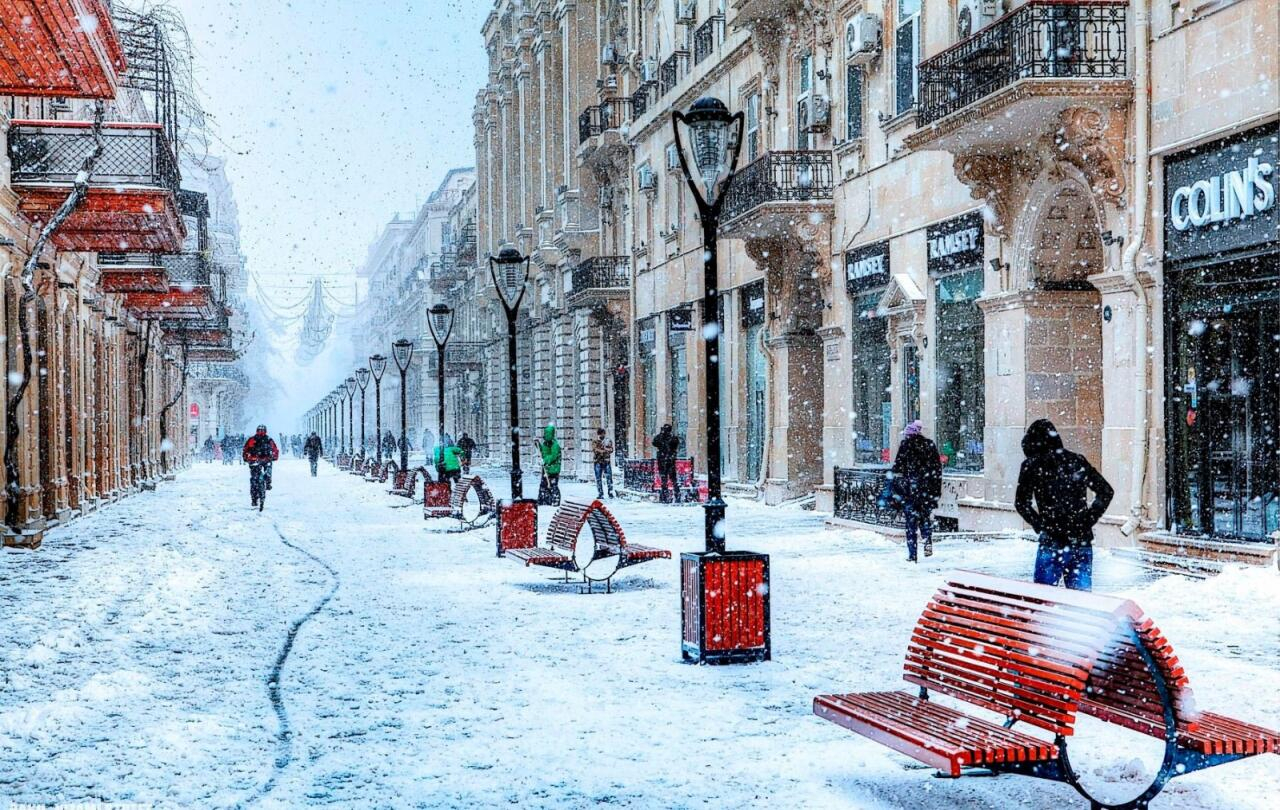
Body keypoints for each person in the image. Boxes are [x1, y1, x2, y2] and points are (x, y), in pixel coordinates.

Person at [1015, 418, 1114, 592]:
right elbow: (1105, 491)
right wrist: (1087, 519)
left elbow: (1021, 503)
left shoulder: (1032, 465)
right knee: (1081, 604)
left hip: (1052, 540)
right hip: (1080, 540)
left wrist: (1040, 524)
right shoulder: (1076, 461)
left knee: (1043, 600)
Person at [890, 420, 943, 563]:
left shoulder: (905, 446)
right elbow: (937, 470)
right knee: (925, 519)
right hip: (926, 491)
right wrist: (935, 492)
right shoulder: (929, 445)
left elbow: (897, 469)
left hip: (910, 492)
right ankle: (927, 542)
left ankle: (912, 554)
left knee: (910, 524)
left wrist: (897, 490)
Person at [242, 425, 280, 507]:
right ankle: (267, 483)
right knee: (257, 477)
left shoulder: (256, 439)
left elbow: (245, 449)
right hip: (260, 461)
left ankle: (255, 498)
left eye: (262, 430)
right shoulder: (267, 439)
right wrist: (273, 457)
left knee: (255, 479)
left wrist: (246, 458)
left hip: (257, 461)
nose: (261, 432)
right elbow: (275, 450)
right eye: (260, 430)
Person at [653, 424, 680, 503]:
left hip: (667, 460)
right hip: (665, 460)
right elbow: (654, 442)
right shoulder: (667, 437)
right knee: (668, 479)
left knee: (668, 479)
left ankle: (668, 496)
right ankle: (667, 496)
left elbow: (655, 442)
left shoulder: (671, 438)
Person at [536, 424, 562, 505]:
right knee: (543, 486)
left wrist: (545, 460)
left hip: (553, 469)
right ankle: (544, 500)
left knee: (553, 485)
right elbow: (543, 452)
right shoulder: (545, 444)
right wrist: (538, 445)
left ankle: (554, 500)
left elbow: (553, 456)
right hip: (546, 468)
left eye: (547, 434)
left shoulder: (555, 445)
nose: (545, 435)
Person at [592, 428, 616, 499]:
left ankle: (610, 492)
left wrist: (604, 450)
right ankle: (600, 493)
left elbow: (611, 449)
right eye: (600, 434)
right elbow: (595, 449)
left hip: (606, 461)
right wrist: (603, 450)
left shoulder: (608, 441)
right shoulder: (595, 441)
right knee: (598, 478)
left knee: (609, 478)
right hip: (598, 461)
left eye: (603, 434)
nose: (602, 435)